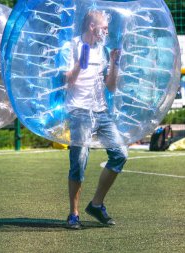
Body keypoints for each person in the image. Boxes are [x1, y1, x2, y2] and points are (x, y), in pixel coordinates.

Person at [62, 10, 128, 229]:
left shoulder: (103, 50)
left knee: (120, 154)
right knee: (79, 161)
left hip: (100, 110)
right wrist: (80, 65)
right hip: (79, 110)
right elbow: (67, 82)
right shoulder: (71, 46)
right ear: (92, 26)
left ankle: (96, 204)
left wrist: (114, 63)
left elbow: (111, 86)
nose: (106, 32)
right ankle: (74, 214)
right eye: (104, 28)